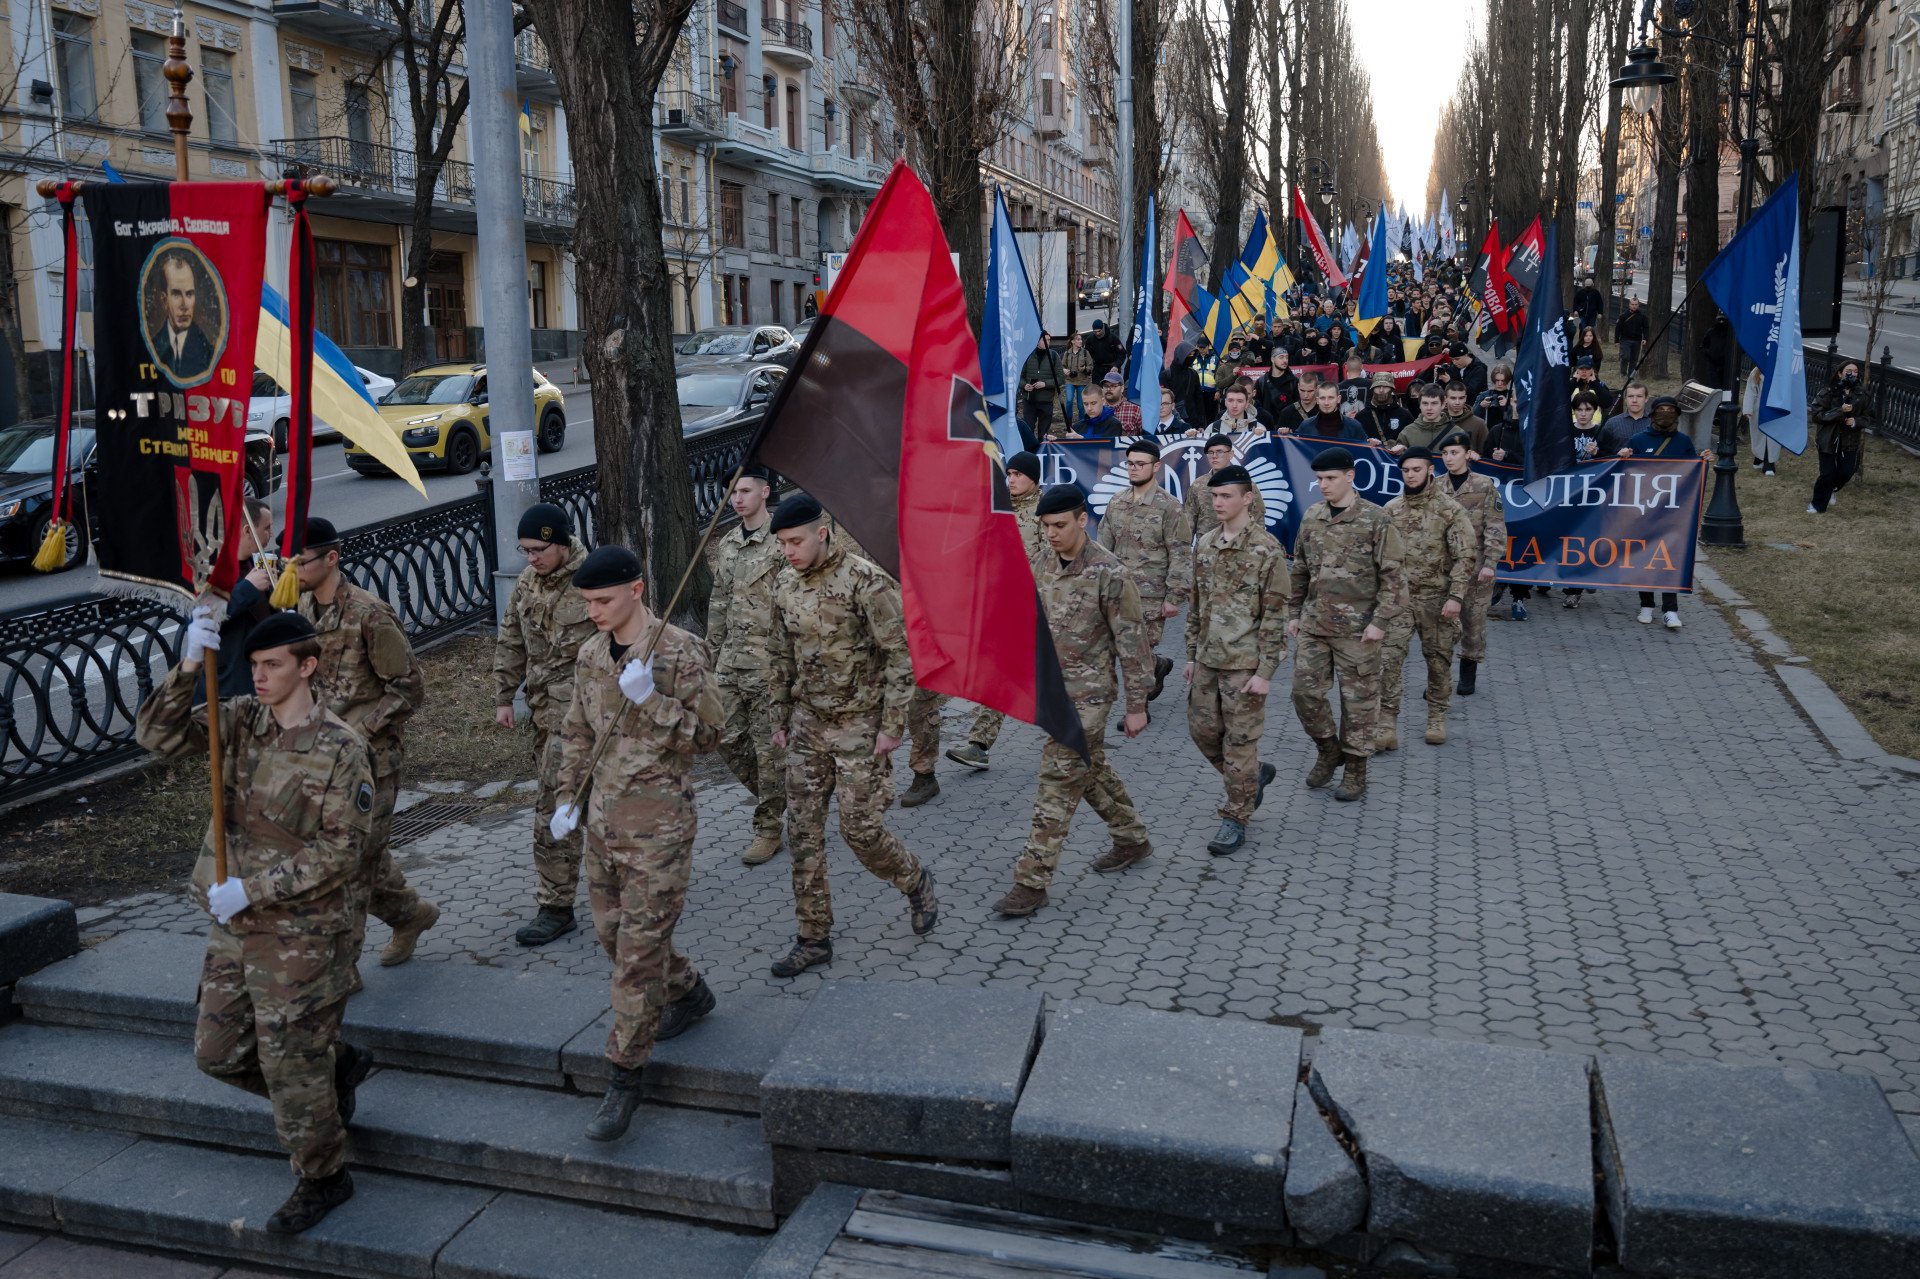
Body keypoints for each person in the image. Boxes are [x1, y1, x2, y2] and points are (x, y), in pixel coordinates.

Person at [135, 610, 374, 1235]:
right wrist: (190, 663)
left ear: (308, 667)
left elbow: (342, 850)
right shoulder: (239, 719)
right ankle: (334, 1070)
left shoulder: (342, 749)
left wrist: (256, 889)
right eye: (255, 665)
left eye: (273, 666)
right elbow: (155, 738)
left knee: (291, 1066)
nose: (258, 676)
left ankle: (324, 1175)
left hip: (303, 933)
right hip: (234, 925)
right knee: (216, 1054)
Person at [548, 545, 723, 1142]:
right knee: (611, 937)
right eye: (586, 602)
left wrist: (654, 702)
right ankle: (690, 991)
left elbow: (712, 737)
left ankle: (624, 1077)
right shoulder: (591, 654)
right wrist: (566, 799)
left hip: (661, 832)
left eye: (602, 600)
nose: (593, 611)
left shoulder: (679, 652)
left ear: (637, 590)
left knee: (635, 959)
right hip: (603, 825)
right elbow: (577, 731)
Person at [765, 495, 938, 977]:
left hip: (861, 727)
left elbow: (901, 656)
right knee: (802, 832)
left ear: (822, 533)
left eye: (796, 541)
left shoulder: (866, 581)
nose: (789, 552)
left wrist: (892, 728)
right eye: (782, 544)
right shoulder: (783, 584)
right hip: (807, 725)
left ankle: (914, 879)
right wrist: (778, 716)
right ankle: (813, 937)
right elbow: (780, 654)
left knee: (860, 831)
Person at [993, 487, 1154, 916]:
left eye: (1059, 525)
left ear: (1083, 520)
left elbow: (1133, 644)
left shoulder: (1110, 572)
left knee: (1058, 780)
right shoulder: (1043, 563)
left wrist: (1137, 705)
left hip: (1090, 697)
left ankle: (1032, 881)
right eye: (1045, 526)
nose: (1051, 534)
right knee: (1091, 768)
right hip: (1053, 692)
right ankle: (1132, 838)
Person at [294, 518, 440, 966]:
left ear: (331, 558)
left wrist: (360, 730)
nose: (293, 569)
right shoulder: (301, 608)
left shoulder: (369, 614)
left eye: (301, 561)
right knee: (358, 856)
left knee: (353, 859)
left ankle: (340, 968)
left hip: (372, 759)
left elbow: (409, 688)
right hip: (323, 757)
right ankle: (410, 914)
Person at [494, 501, 596, 946]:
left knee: (555, 810)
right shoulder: (528, 583)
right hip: (544, 715)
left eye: (537, 548)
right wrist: (503, 695)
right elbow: (511, 637)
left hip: (588, 718)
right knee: (584, 806)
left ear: (560, 541)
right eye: (525, 550)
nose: (531, 557)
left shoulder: (593, 580)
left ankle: (555, 906)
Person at [1287, 447, 1404, 802]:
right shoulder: (1313, 516)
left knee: (1359, 703)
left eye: (1330, 478)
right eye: (1319, 479)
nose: (1323, 485)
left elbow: (1394, 576)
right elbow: (1300, 568)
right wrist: (1293, 612)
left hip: (1359, 629)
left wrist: (1381, 621)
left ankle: (1356, 770)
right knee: (1304, 694)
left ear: (1350, 477)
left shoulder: (1376, 519)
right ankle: (1328, 749)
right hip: (1315, 624)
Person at [1185, 465, 1286, 853]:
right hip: (1210, 658)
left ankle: (1236, 817)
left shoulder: (1266, 548)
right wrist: (1192, 655)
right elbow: (1197, 605)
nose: (1218, 502)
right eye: (1214, 496)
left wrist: (1266, 671)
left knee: (1239, 743)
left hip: (1245, 662)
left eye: (1226, 495)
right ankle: (1252, 777)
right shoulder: (1207, 543)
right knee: (1203, 732)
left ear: (1248, 498)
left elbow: (1276, 613)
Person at [703, 466, 792, 868]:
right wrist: (710, 655)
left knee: (766, 750)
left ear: (764, 492)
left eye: (744, 490)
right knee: (726, 739)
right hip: (729, 663)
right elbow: (718, 602)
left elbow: (794, 606)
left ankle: (769, 828)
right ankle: (790, 796)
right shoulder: (727, 544)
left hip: (767, 665)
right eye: (732, 493)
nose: (736, 498)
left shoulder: (781, 543)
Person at [947, 453, 1049, 770]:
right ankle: (979, 745)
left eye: (1019, 474)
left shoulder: (1048, 514)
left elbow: (1057, 564)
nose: (1012, 479)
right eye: (1009, 473)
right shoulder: (1000, 511)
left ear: (1034, 477)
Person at [1379, 449, 1474, 750]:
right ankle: (1386, 724)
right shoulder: (1391, 510)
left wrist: (1456, 596)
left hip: (1437, 600)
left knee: (1438, 662)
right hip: (1399, 601)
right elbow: (1378, 558)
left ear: (1430, 471)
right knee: (1387, 662)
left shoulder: (1449, 510)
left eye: (1417, 470)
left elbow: (1465, 555)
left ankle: (1436, 717)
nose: (1411, 475)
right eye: (1406, 470)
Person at [1096, 437, 1193, 699]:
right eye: (1130, 464)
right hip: (1120, 591)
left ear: (1156, 466)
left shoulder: (1169, 507)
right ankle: (1159, 666)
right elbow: (1102, 548)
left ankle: (1138, 709)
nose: (1134, 468)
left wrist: (1174, 597)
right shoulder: (1117, 501)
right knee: (1126, 648)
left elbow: (1181, 552)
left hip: (1151, 594)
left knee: (1136, 651)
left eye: (1141, 464)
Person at [1436, 436, 1505, 692]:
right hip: (1442, 568)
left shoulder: (1484, 485)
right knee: (1440, 625)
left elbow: (1495, 526)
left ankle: (1468, 673)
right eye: (1445, 453)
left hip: (1475, 568)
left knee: (1472, 623)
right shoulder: (1435, 486)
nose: (1449, 457)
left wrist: (1490, 562)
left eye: (1454, 452)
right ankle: (1439, 677)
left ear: (1467, 454)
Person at [211, 497, 279, 698]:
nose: (271, 534)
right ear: (247, 531)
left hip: (268, 670)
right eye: (266, 528)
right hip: (236, 683)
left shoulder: (253, 562)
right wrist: (248, 588)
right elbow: (202, 617)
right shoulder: (215, 569)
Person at [149, 251, 216, 382]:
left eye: (189, 294)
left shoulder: (208, 352)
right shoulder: (152, 348)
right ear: (164, 300)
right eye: (176, 294)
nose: (184, 305)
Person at [1184, 434, 1265, 541]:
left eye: (1220, 451)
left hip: (1238, 549)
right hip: (1206, 551)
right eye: (1210, 452)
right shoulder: (1198, 485)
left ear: (1231, 454)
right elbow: (1188, 523)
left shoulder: (1245, 484)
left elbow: (1258, 518)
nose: (1214, 456)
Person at [1809, 361, 1865, 515]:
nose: (1852, 374)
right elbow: (1816, 415)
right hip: (1828, 438)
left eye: (1855, 371)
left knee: (1846, 471)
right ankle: (1817, 504)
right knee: (1827, 473)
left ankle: (1831, 487)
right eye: (1848, 370)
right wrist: (1840, 411)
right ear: (1840, 373)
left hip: (1850, 439)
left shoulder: (1861, 394)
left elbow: (1870, 417)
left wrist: (1856, 422)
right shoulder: (1827, 392)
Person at [1019, 333, 1063, 447]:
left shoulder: (1054, 356)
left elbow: (1060, 378)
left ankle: (1043, 455)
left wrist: (1045, 384)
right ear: (1037, 341)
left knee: (1043, 433)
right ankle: (1029, 454)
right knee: (1028, 430)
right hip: (1029, 400)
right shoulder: (1027, 355)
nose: (1048, 342)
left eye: (1049, 340)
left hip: (1046, 400)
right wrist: (1024, 385)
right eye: (1045, 340)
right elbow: (1019, 376)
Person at [1298, 380, 1374, 444]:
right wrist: (1286, 434)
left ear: (1338, 399)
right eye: (1322, 398)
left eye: (1330, 398)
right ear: (1317, 400)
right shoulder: (1306, 426)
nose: (1326, 403)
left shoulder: (1354, 426)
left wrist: (1373, 445)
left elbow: (1365, 453)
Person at [1078, 370, 1145, 437]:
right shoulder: (1095, 408)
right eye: (1106, 386)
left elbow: (1146, 437)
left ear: (1122, 388)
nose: (1109, 389)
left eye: (1113, 386)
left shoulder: (1135, 410)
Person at [1391, 383, 1451, 454]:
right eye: (1425, 403)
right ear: (1419, 405)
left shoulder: (1456, 432)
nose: (1429, 408)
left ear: (1443, 404)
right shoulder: (1407, 433)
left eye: (1434, 403)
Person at [1357, 372, 1415, 443]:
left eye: (1385, 386)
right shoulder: (1361, 416)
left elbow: (1413, 443)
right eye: (1378, 387)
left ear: (1392, 389)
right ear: (1372, 389)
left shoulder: (1405, 416)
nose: (1381, 390)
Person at [1601, 382, 1651, 455]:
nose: (1634, 400)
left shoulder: (1654, 423)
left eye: (1639, 396)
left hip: (1646, 465)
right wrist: (1617, 454)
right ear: (1625, 398)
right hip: (1619, 465)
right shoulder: (1612, 423)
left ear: (1646, 399)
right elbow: (1602, 451)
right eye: (1630, 396)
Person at [1441, 383, 1490, 455]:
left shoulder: (1479, 424)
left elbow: (1486, 454)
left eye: (1461, 398)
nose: (1457, 402)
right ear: (1445, 399)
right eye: (1453, 398)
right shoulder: (1437, 421)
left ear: (1465, 398)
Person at [1061, 332, 1093, 428]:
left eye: (1081, 339)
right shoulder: (1067, 353)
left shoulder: (1085, 352)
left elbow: (1091, 366)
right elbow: (1062, 366)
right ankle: (1069, 424)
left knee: (1080, 405)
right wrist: (1064, 370)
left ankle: (1082, 424)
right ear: (1073, 342)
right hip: (1069, 380)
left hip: (1082, 381)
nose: (1080, 341)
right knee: (1069, 401)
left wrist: (1085, 369)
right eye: (1078, 339)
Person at [1614, 297, 1649, 375]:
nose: (1634, 306)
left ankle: (1631, 375)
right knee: (1625, 357)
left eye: (1636, 304)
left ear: (1638, 305)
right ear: (1629, 305)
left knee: (1634, 359)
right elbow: (1618, 328)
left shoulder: (1642, 316)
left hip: (1637, 340)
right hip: (1625, 339)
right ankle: (1623, 372)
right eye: (1632, 304)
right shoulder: (1623, 316)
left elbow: (1646, 327)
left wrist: (1645, 338)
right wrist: (1616, 340)